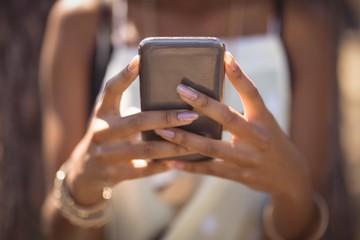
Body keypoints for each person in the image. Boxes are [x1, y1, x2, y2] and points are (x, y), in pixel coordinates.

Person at [39, 0, 345, 239]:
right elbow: (57, 231)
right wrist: (81, 184)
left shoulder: (301, 25)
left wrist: (291, 189)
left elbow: (300, 224)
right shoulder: (81, 21)